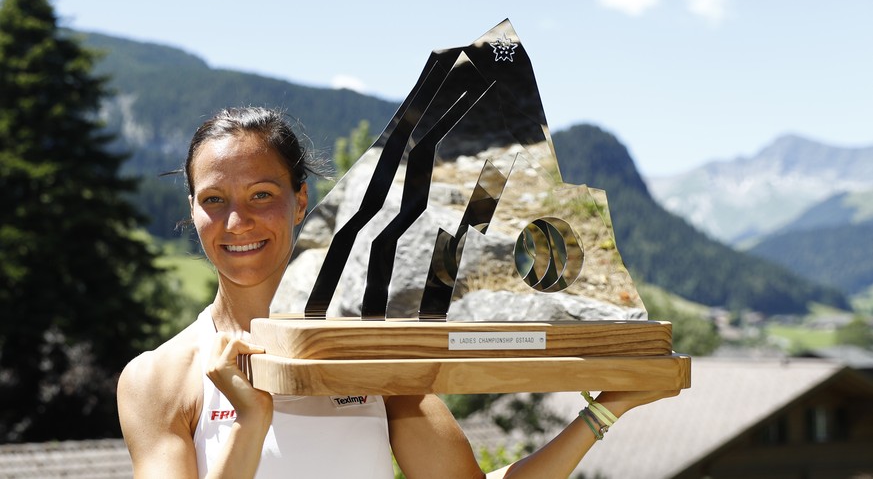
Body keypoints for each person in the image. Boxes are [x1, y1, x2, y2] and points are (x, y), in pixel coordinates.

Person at [117, 106, 678, 478]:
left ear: (301, 201)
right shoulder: (158, 379)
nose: (237, 221)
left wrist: (605, 412)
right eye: (214, 199)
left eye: (262, 194)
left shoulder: (367, 352)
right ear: (191, 210)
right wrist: (248, 420)